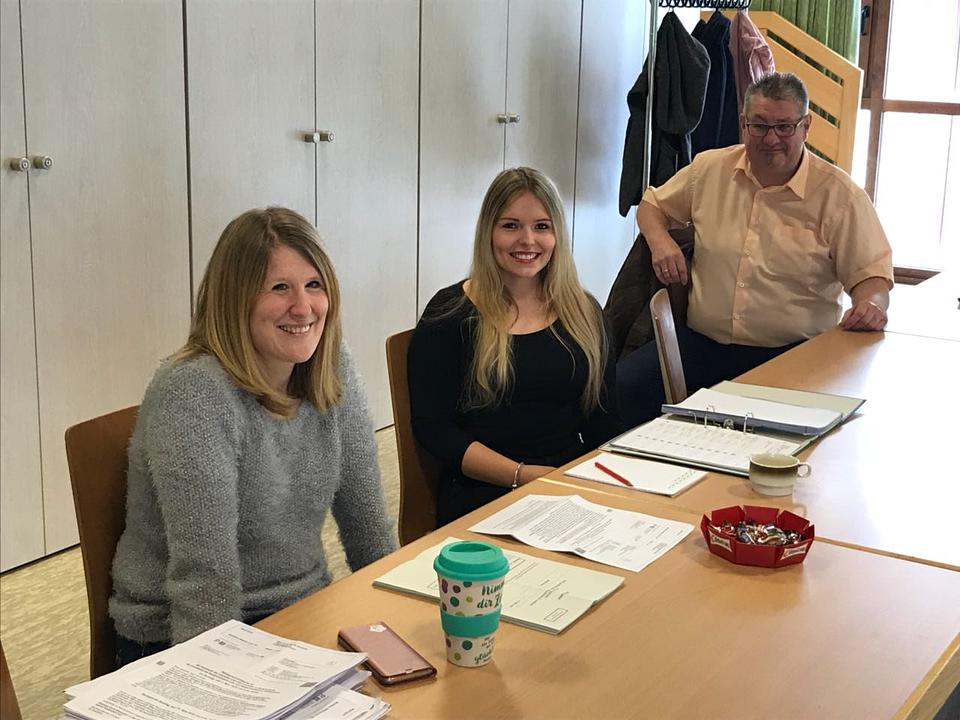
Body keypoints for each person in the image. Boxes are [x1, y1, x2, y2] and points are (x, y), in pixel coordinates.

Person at [109, 207, 396, 665]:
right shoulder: (194, 390)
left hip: (301, 609)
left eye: (314, 285)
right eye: (280, 287)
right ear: (235, 298)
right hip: (183, 634)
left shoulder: (330, 364)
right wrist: (222, 682)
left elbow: (369, 529)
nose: (303, 307)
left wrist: (394, 629)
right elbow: (205, 580)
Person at [617, 72, 893, 428]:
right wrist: (660, 241)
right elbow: (652, 204)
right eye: (760, 126)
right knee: (618, 392)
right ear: (743, 124)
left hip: (792, 354)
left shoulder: (840, 196)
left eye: (784, 127)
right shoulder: (710, 169)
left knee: (764, 434)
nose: (771, 138)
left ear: (806, 126)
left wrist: (871, 305)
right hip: (703, 342)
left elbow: (871, 276)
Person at [408, 167, 622, 525]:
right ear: (488, 232)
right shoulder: (449, 315)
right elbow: (434, 429)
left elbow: (604, 419)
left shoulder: (584, 312)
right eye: (510, 226)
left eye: (542, 226)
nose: (527, 240)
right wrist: (521, 475)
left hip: (568, 485)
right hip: (484, 492)